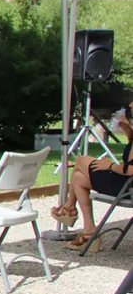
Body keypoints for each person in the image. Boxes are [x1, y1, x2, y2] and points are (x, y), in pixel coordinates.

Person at [50, 101, 133, 251]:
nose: (131, 105)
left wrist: (110, 166)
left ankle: (69, 208)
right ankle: (89, 230)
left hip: (127, 187)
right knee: (78, 178)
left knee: (81, 160)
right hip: (127, 184)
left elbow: (131, 169)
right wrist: (127, 128)